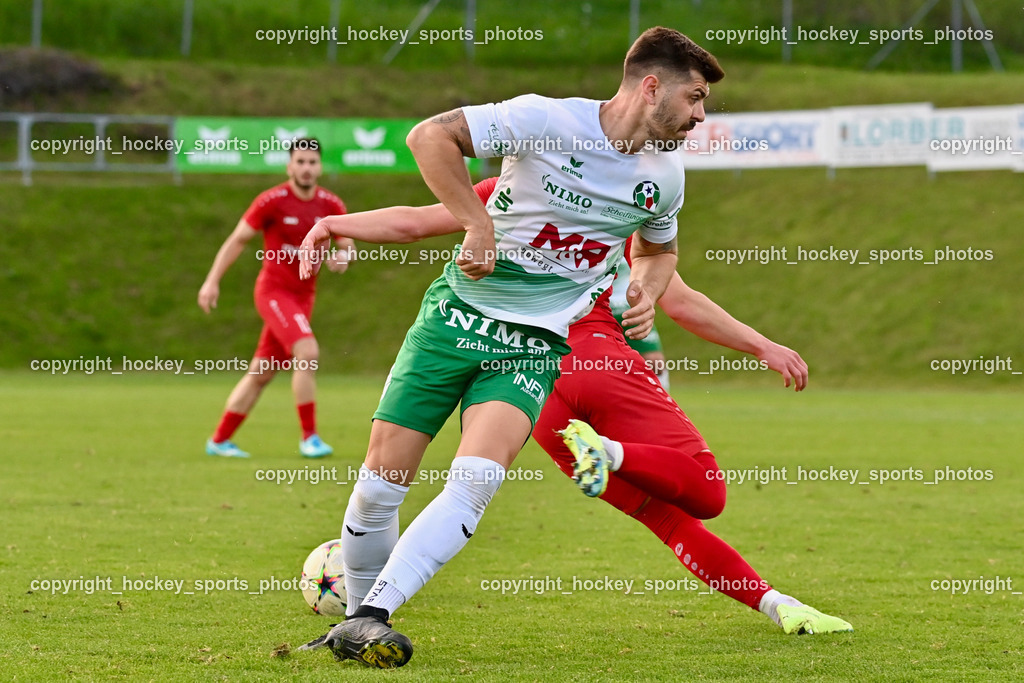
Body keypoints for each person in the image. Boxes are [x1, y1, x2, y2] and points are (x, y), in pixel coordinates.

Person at [299, 26, 722, 668]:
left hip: (531, 348)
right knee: (380, 487)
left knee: (474, 482)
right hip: (453, 324)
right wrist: (475, 223)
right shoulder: (543, 119)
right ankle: (355, 623)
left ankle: (372, 617)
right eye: (694, 99)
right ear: (652, 85)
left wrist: (644, 286)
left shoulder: (665, 178)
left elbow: (661, 252)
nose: (699, 117)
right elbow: (429, 137)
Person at [296, 178, 852, 663]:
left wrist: (334, 223)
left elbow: (416, 221)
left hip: (541, 389)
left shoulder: (512, 190)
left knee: (659, 516)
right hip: (582, 359)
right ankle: (607, 452)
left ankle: (777, 604)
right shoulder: (616, 214)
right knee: (703, 490)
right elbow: (680, 299)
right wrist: (763, 347)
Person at [197, 138, 353, 459]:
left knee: (262, 372)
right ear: (289, 166)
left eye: (312, 162)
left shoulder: (331, 204)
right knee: (307, 351)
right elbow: (237, 240)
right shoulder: (272, 201)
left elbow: (346, 244)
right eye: (300, 162)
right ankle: (310, 438)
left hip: (303, 297)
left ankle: (219, 440)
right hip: (274, 293)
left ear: (320, 166)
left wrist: (343, 257)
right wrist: (212, 281)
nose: (306, 168)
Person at [609, 256, 670, 389]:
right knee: (589, 361)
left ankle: (658, 406)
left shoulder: (636, 237)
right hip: (595, 303)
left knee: (654, 362)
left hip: (629, 302)